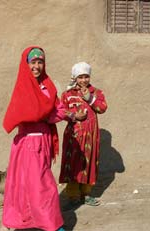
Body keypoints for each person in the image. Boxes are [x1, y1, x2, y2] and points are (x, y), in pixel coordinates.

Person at [1, 46, 66, 231]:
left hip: (43, 141)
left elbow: (59, 110)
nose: (36, 66)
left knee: (34, 184)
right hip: (29, 143)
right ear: (26, 64)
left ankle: (33, 221)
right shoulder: (24, 87)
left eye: (40, 62)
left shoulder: (47, 85)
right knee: (42, 185)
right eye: (33, 62)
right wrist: (45, 115)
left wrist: (46, 116)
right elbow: (25, 113)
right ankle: (52, 224)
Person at [59, 61, 107, 210]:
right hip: (74, 137)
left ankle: (86, 194)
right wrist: (74, 115)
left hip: (91, 136)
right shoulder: (68, 95)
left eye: (86, 76)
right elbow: (61, 112)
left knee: (89, 162)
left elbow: (102, 108)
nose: (84, 80)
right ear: (75, 78)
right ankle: (73, 195)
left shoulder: (96, 92)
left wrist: (89, 98)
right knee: (73, 164)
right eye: (80, 77)